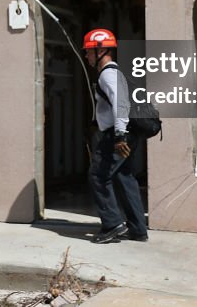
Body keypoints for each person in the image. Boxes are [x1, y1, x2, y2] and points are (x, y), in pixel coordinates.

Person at [83, 28, 148, 243]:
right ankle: (138, 229)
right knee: (124, 177)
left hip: (117, 135)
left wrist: (120, 136)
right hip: (123, 133)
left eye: (89, 52)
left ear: (101, 50)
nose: (87, 56)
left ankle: (112, 225)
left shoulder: (108, 74)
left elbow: (121, 105)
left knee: (98, 176)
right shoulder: (114, 72)